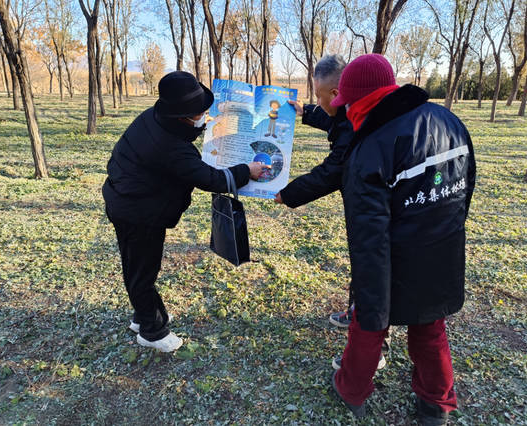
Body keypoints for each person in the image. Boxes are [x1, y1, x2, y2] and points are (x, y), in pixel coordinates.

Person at [329, 54, 476, 426]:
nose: (344, 109)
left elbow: (368, 232)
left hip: (393, 256)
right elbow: (466, 186)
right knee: (430, 325)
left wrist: (369, 287)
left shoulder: (371, 145)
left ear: (362, 100)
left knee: (369, 324)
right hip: (443, 246)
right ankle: (437, 403)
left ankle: (351, 391)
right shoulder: (449, 119)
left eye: (347, 102)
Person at [102, 71, 266, 352]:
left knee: (138, 265)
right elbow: (210, 179)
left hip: (128, 199)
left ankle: (144, 316)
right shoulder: (170, 147)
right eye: (200, 113)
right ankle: (152, 331)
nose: (205, 116)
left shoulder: (155, 117)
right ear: (182, 117)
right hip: (138, 212)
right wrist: (245, 171)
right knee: (141, 271)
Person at [274, 54, 389, 370]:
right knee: (364, 270)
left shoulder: (364, 123)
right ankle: (357, 313)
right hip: (364, 209)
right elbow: (334, 121)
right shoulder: (354, 109)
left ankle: (374, 348)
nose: (318, 102)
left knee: (375, 278)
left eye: (319, 97)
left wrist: (288, 194)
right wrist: (306, 112)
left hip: (378, 214)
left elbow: (332, 171)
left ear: (339, 93)